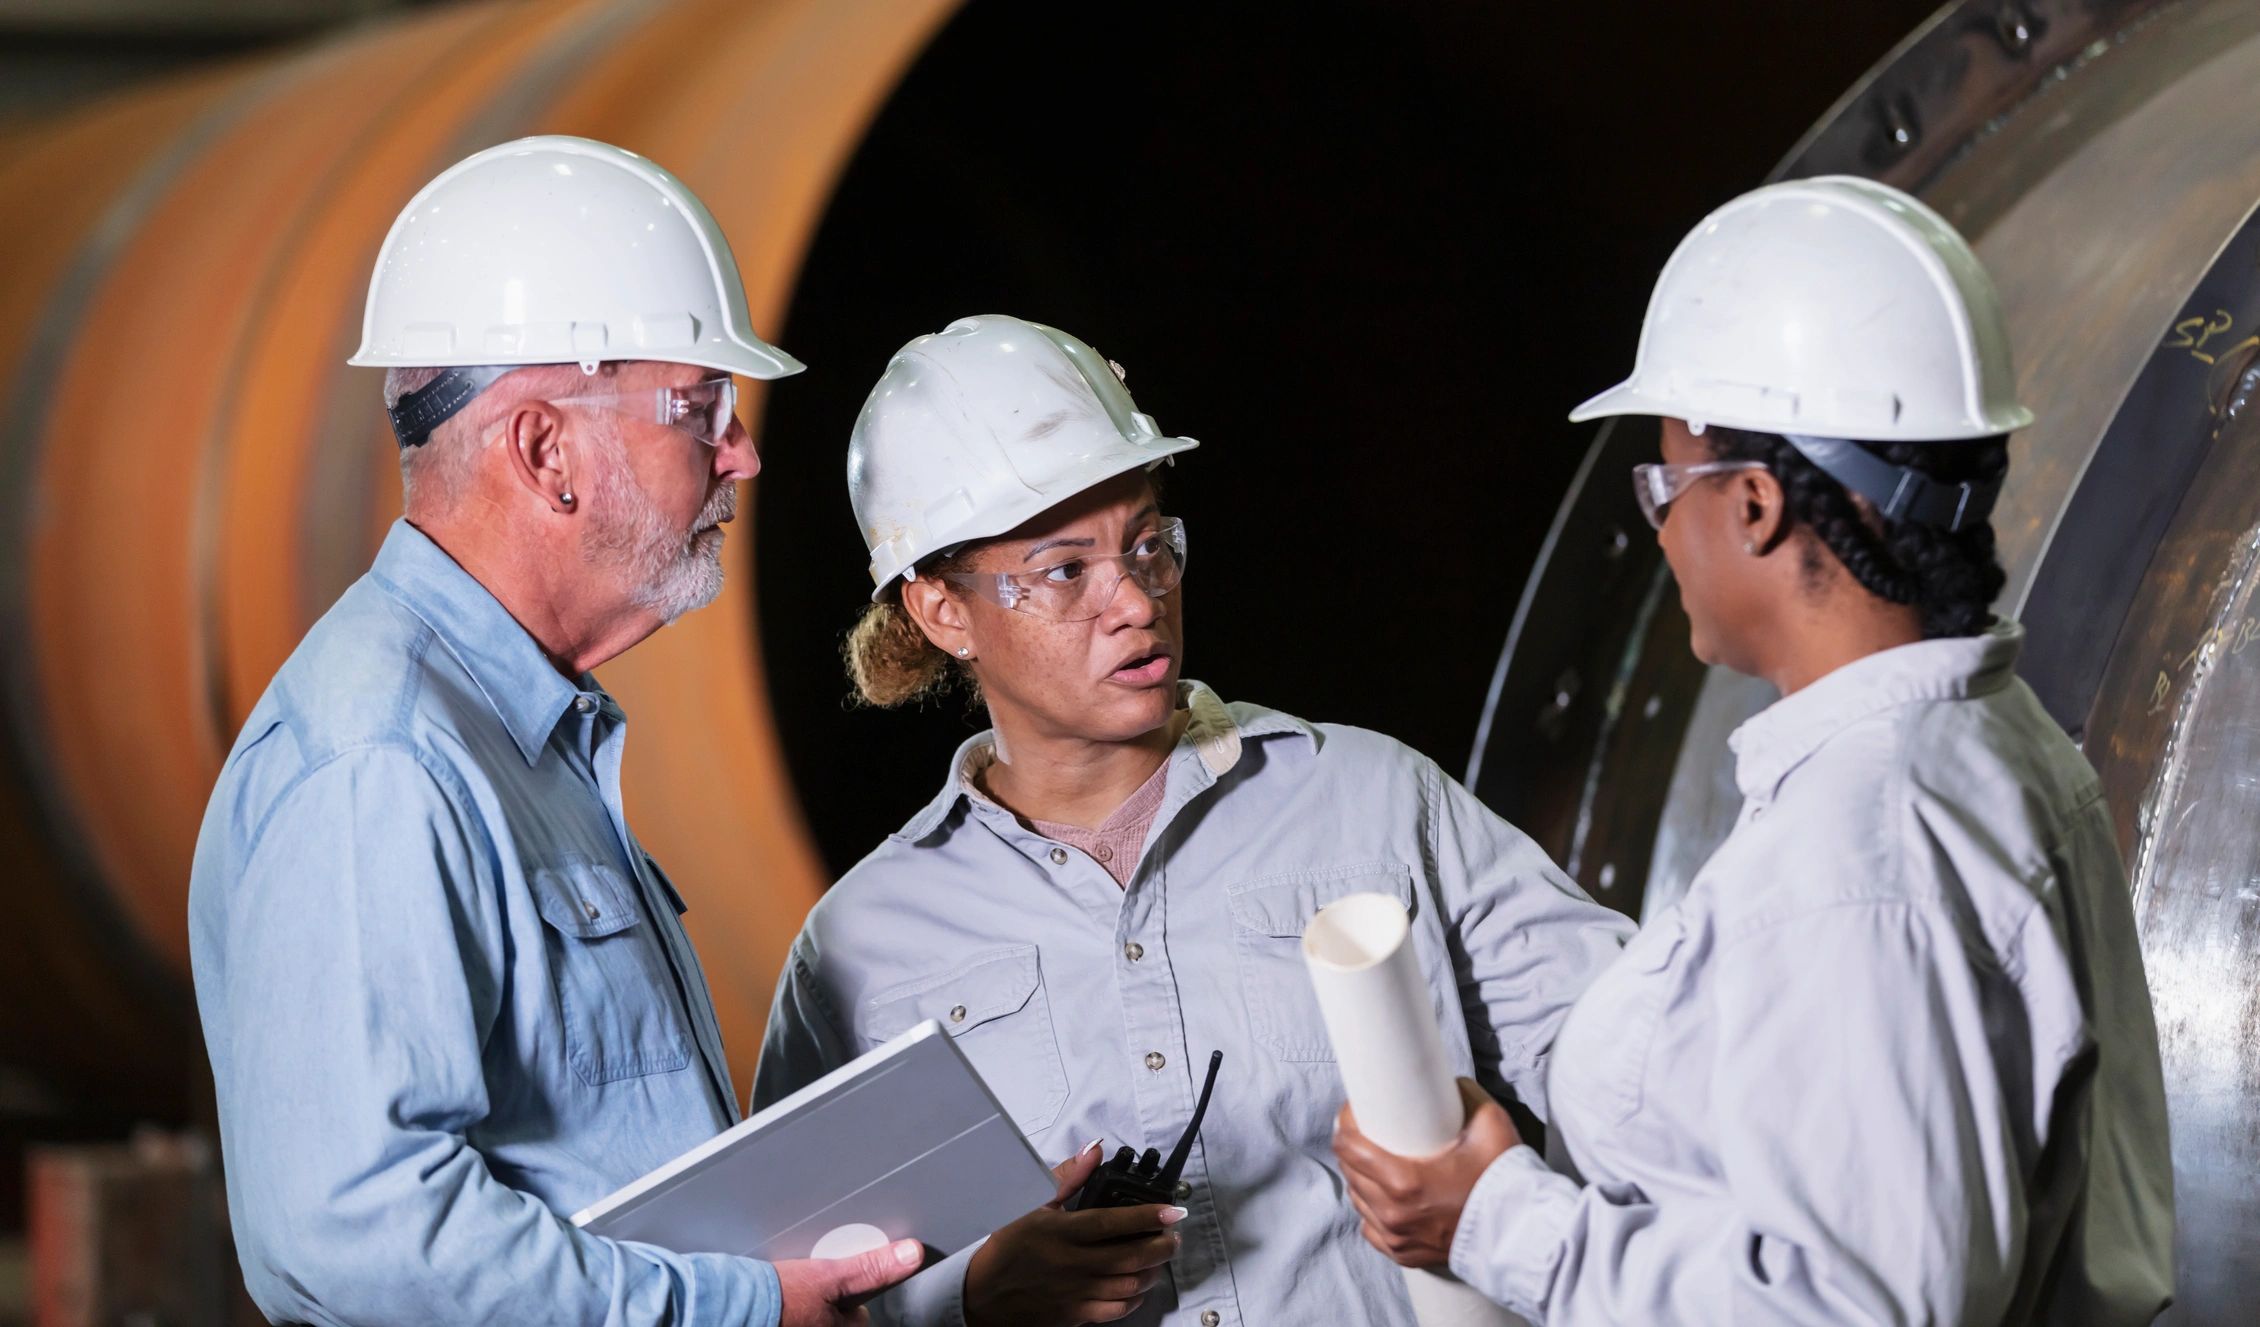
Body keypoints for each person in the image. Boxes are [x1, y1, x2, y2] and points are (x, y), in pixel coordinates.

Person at [1333, 177, 2176, 1325]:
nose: (1659, 532)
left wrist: (1494, 1221)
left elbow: (1850, 1309)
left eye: (1661, 485)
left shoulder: (1859, 853)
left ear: (1752, 505)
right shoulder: (1983, 746)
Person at [753, 314, 1634, 1326]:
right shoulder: (861, 949)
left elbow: (1643, 1076)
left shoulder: (1378, 806)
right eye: (1065, 569)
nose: (1134, 601)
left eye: (1147, 545)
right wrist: (974, 1298)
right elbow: (793, 1295)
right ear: (943, 612)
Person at [189, 136, 918, 1326]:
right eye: (698, 408)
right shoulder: (384, 763)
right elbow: (362, 1230)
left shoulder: (513, 736)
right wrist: (736, 1307)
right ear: (545, 451)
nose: (741, 453)